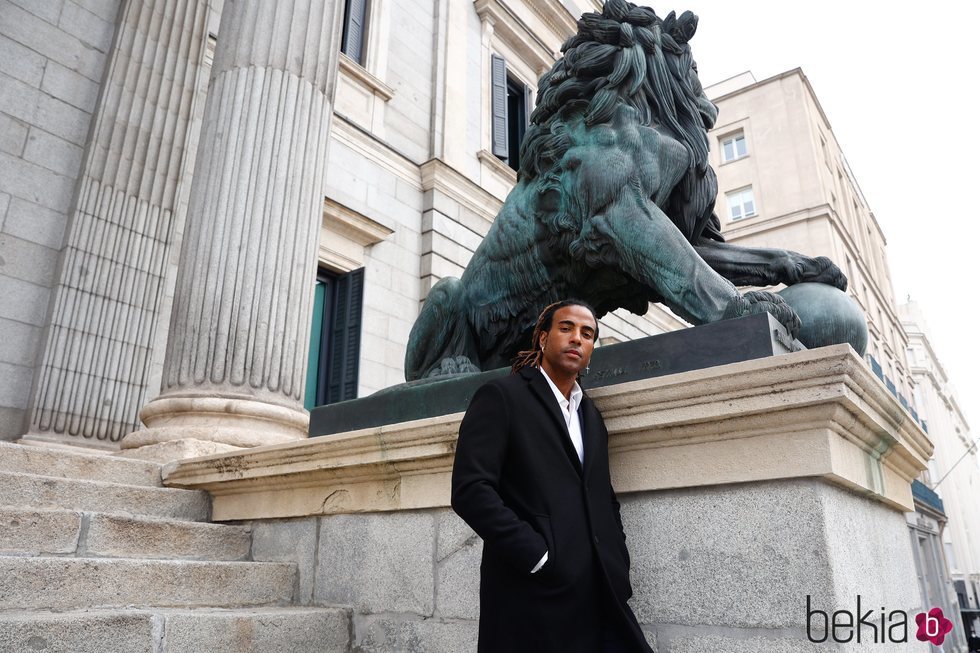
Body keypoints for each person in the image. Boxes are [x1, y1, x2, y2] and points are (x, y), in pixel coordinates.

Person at [451, 299, 652, 652]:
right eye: (567, 328)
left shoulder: (591, 415)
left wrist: (618, 562)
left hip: (600, 592)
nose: (577, 338)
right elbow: (470, 490)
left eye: (587, 334)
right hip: (533, 596)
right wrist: (537, 556)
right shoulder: (502, 396)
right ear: (542, 339)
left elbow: (602, 496)